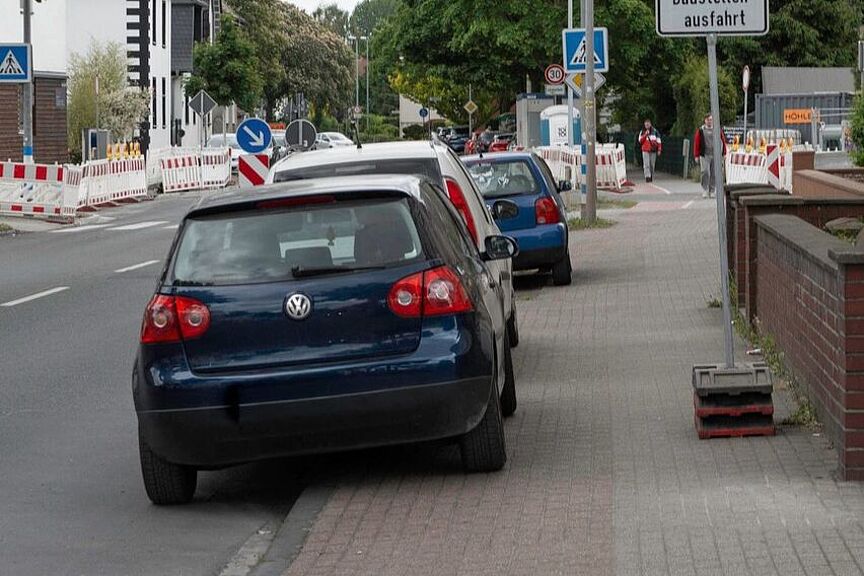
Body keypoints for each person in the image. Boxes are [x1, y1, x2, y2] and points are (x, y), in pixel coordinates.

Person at [693, 113, 728, 199]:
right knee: (705, 172)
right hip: (705, 154)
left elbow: (722, 141)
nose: (709, 121)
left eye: (711, 120)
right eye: (708, 120)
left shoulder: (717, 130)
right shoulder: (700, 131)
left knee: (714, 173)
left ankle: (712, 190)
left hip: (715, 155)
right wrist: (696, 155)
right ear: (705, 120)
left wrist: (724, 153)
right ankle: (705, 189)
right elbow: (697, 143)